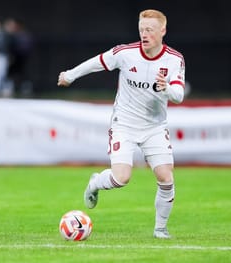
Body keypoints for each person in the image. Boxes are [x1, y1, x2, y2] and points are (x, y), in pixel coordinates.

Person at [57, 9, 185, 239]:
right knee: (121, 178)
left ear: (163, 31)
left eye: (150, 30)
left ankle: (160, 229)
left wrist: (167, 88)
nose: (144, 34)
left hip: (155, 127)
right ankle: (96, 182)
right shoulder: (125, 53)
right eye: (141, 30)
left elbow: (179, 95)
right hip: (124, 124)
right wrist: (70, 75)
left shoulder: (174, 59)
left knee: (166, 177)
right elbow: (96, 62)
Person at [5, 18, 34, 97]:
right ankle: (10, 89)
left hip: (19, 58)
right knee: (13, 74)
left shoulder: (21, 35)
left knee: (20, 74)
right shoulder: (16, 35)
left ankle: (24, 89)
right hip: (18, 58)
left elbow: (25, 47)